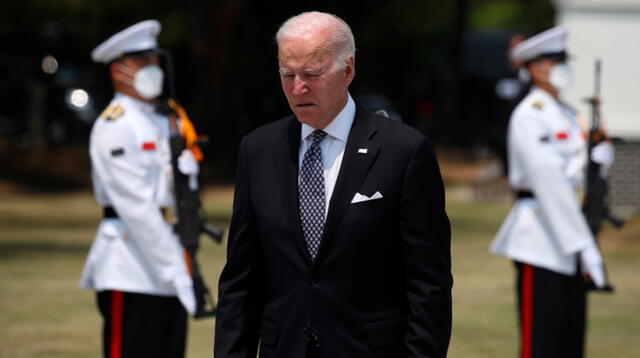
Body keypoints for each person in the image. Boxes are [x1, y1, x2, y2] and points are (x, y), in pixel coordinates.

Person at [214, 11, 452, 358]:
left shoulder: (403, 151)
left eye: (312, 74)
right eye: (287, 74)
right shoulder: (259, 149)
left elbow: (428, 284)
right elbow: (240, 281)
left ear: (348, 70)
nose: (298, 88)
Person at [490, 26, 615, 358]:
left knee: (570, 339)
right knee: (542, 343)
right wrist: (585, 245)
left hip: (573, 228)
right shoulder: (530, 115)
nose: (561, 67)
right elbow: (548, 180)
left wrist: (599, 161)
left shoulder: (571, 115)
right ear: (533, 69)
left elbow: (577, 177)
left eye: (563, 60)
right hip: (542, 237)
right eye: (552, 61)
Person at [80, 20, 200, 358]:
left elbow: (175, 196)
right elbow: (136, 208)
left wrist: (187, 175)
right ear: (119, 71)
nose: (153, 69)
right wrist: (176, 270)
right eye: (142, 62)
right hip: (130, 264)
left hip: (169, 253)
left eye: (155, 61)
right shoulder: (113, 125)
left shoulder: (165, 119)